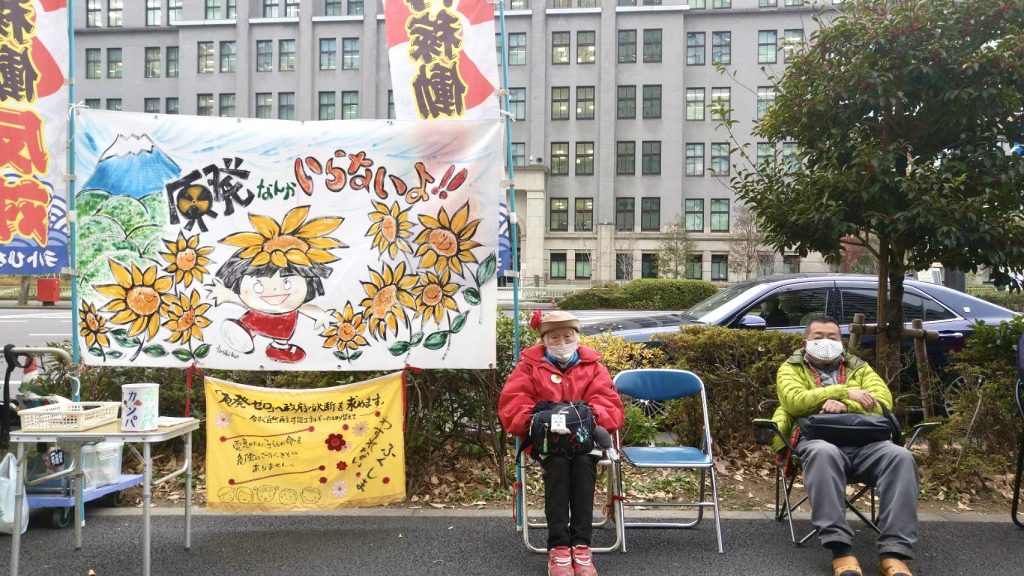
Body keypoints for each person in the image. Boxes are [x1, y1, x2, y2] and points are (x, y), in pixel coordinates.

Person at [771, 316, 919, 576]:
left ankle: (894, 553)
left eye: (833, 337)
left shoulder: (860, 368)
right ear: (805, 341)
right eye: (818, 337)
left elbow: (883, 401)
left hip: (866, 443)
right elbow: (795, 401)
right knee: (822, 452)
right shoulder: (790, 368)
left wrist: (845, 405)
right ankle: (840, 549)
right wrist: (843, 392)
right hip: (818, 440)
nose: (826, 342)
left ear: (841, 342)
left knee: (900, 456)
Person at [499, 310, 625, 576]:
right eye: (554, 337)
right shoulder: (528, 366)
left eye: (567, 336)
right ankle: (558, 548)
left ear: (577, 338)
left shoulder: (593, 366)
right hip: (547, 443)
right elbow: (513, 404)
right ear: (543, 340)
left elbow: (610, 405)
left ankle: (581, 546)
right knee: (556, 465)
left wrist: (584, 418)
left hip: (585, 441)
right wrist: (537, 420)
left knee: (583, 464)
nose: (561, 342)